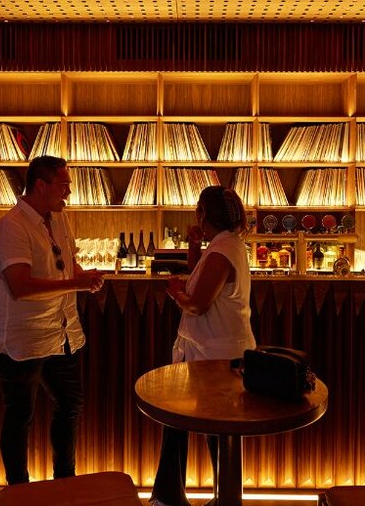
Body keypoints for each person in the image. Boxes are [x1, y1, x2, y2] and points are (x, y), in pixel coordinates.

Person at [0, 155, 104, 485]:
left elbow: (65, 266)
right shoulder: (11, 227)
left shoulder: (58, 219)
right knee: (20, 414)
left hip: (61, 332)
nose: (69, 193)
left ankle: (64, 482)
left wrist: (83, 276)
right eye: (64, 185)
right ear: (40, 185)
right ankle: (18, 490)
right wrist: (76, 284)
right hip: (22, 339)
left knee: (71, 405)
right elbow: (20, 286)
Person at [150, 185, 257, 506]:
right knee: (190, 425)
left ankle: (194, 498)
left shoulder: (223, 251)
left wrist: (174, 293)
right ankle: (178, 495)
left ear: (204, 213)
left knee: (206, 429)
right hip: (214, 350)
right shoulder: (225, 245)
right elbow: (202, 272)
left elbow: (197, 304)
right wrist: (195, 245)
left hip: (214, 355)